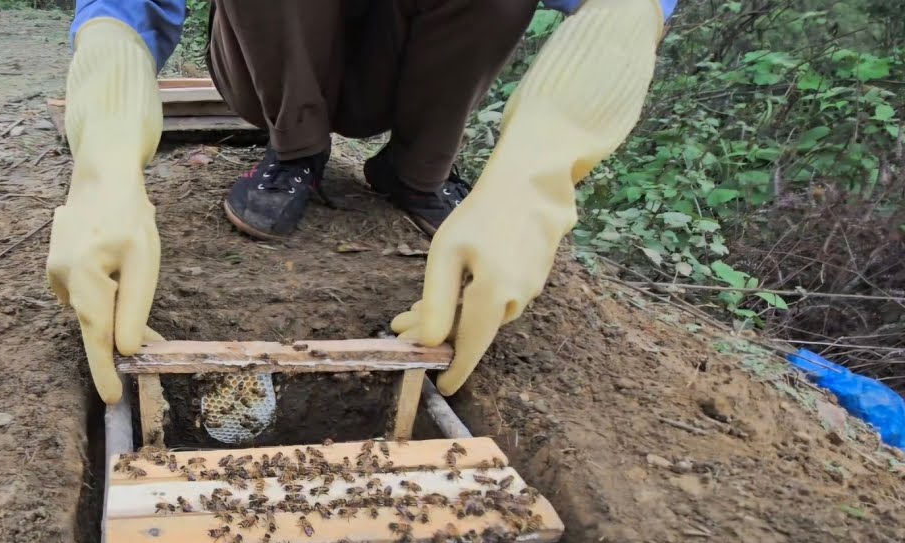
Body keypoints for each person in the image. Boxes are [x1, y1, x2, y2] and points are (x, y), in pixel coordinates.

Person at [47, 0, 678, 404]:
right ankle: (297, 148)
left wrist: (532, 181)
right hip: (274, 58)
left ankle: (417, 169)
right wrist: (105, 164)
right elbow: (122, 8)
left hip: (406, 61)